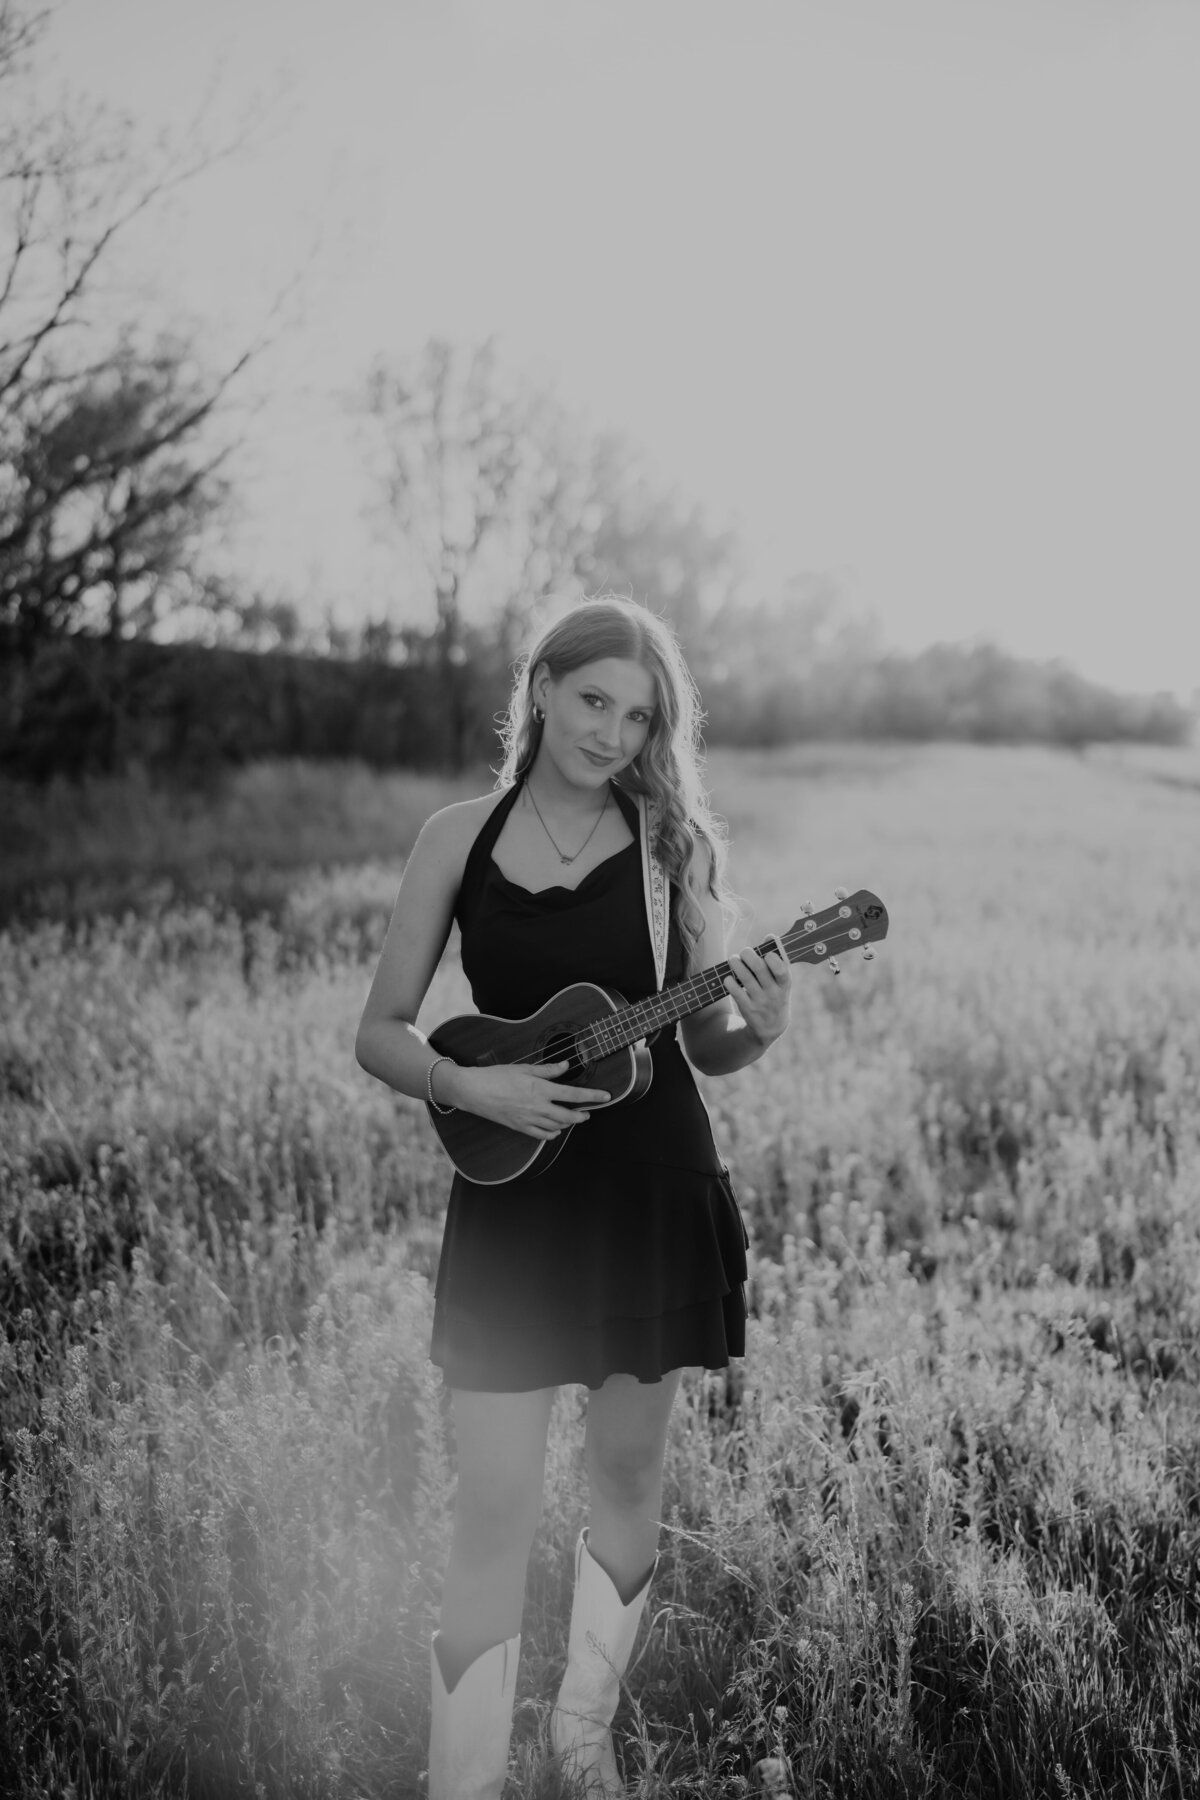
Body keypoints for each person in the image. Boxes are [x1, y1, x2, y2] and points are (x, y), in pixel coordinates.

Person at [355, 596, 793, 1799]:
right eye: (594, 700)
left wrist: (761, 1020)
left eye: (638, 714)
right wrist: (471, 1086)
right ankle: (464, 1779)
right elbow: (379, 1032)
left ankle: (580, 1736)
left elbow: (707, 1046)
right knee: (492, 1497)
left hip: (649, 1190)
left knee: (626, 1477)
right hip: (512, 1202)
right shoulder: (457, 835)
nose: (611, 732)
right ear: (541, 689)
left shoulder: (670, 846)